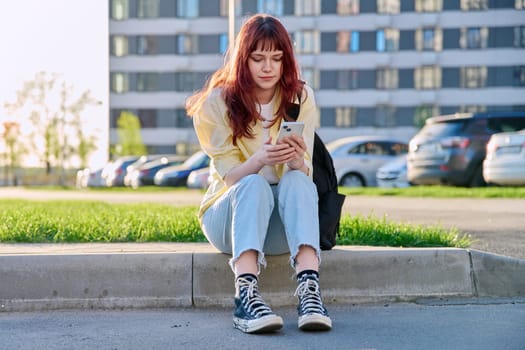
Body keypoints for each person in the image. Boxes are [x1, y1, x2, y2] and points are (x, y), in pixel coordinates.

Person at [186, 14, 331, 334]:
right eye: (258, 58)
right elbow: (229, 178)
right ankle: (245, 297)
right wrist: (259, 160)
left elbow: (305, 173)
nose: (268, 67)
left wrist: (296, 162)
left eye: (277, 58)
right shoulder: (217, 102)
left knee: (297, 180)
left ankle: (310, 292)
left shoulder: (299, 97)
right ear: (243, 59)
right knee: (252, 183)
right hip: (229, 219)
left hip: (281, 225)